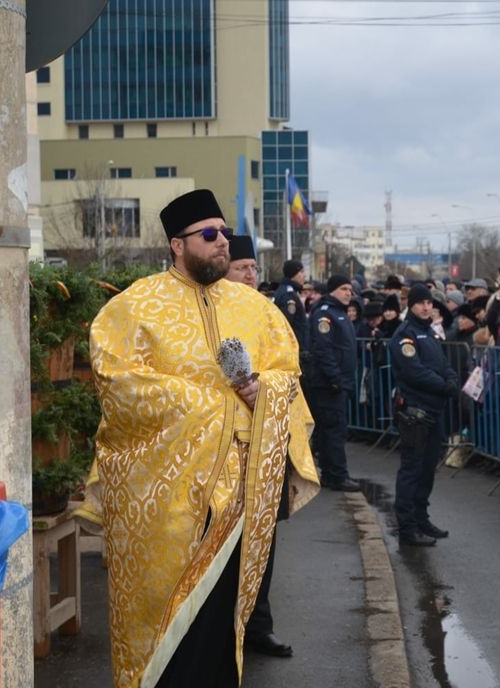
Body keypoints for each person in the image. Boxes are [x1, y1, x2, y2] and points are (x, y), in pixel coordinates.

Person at [77, 189, 319, 687]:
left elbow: (287, 371)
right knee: (168, 606)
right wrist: (218, 405)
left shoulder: (255, 308)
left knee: (223, 613)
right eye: (209, 235)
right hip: (168, 494)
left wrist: (262, 391)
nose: (222, 243)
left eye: (224, 233)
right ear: (177, 245)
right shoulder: (134, 308)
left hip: (243, 488)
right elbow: (119, 385)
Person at [224, 236, 296, 660]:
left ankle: (257, 626)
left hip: (267, 446)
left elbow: (289, 370)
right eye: (242, 268)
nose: (252, 275)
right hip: (221, 455)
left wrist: (264, 387)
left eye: (253, 267)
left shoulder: (268, 314)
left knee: (263, 543)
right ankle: (220, 631)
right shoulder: (206, 316)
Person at [389, 283, 459, 546]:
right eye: (421, 303)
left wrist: (451, 379)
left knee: (428, 468)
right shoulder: (405, 335)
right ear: (411, 305)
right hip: (415, 412)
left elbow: (443, 365)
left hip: (434, 410)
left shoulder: (429, 333)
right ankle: (407, 528)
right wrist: (444, 386)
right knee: (412, 469)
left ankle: (421, 518)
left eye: (429, 303)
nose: (427, 306)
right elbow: (413, 371)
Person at [310, 275, 362, 491]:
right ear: (332, 290)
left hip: (338, 383)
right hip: (329, 385)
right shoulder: (325, 314)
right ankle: (337, 475)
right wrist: (335, 379)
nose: (348, 292)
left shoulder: (339, 313)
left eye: (350, 289)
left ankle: (331, 473)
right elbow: (323, 350)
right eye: (343, 288)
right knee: (334, 431)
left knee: (331, 431)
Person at [274, 259, 310, 390]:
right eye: (301, 272)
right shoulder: (288, 295)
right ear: (293, 274)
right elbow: (287, 325)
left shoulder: (287, 291)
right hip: (293, 355)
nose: (304, 275)